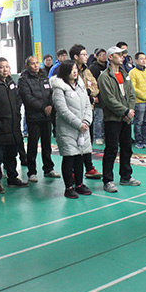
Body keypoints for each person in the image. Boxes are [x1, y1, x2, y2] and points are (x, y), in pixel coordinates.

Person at [0, 58, 29, 194]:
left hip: (13, 127)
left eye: (7, 67)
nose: (5, 70)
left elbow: (17, 100)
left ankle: (12, 178)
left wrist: (17, 115)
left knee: (12, 155)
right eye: (1, 67)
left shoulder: (11, 83)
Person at [98, 46, 141, 193]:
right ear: (110, 57)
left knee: (127, 148)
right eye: (118, 55)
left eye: (123, 55)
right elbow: (109, 99)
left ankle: (126, 176)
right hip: (113, 119)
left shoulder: (125, 74)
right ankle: (108, 180)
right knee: (111, 149)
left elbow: (132, 94)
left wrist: (130, 110)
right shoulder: (104, 77)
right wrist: (125, 111)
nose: (122, 57)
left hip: (126, 118)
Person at [50, 60, 93, 199]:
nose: (75, 72)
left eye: (76, 69)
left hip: (82, 128)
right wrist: (78, 124)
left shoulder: (80, 85)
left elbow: (87, 105)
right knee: (69, 157)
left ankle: (79, 184)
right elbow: (62, 109)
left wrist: (86, 121)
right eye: (71, 69)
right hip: (67, 129)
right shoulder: (59, 88)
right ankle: (68, 187)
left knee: (80, 156)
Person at [18, 56, 58, 182]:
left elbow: (51, 93)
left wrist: (50, 105)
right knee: (33, 145)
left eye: (37, 63)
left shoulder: (44, 77)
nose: (36, 66)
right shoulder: (23, 80)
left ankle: (48, 169)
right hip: (34, 117)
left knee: (47, 144)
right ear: (27, 66)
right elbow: (27, 97)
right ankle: (32, 172)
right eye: (32, 64)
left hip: (46, 117)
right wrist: (43, 107)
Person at [69, 44, 101, 180]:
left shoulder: (87, 70)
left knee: (88, 140)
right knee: (74, 142)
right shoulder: (68, 70)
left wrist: (89, 92)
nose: (87, 57)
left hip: (88, 110)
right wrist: (84, 94)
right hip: (75, 112)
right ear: (76, 57)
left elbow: (95, 87)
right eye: (83, 54)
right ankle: (72, 170)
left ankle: (89, 167)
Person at [129, 52, 146, 148]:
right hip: (139, 101)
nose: (144, 61)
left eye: (145, 59)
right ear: (136, 60)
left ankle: (145, 139)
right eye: (141, 59)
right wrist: (144, 96)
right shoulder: (133, 72)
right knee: (138, 122)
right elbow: (133, 87)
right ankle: (138, 141)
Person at [88, 48, 108, 145]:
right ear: (96, 56)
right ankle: (98, 136)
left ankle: (105, 135)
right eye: (101, 55)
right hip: (98, 97)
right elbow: (91, 83)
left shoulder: (108, 67)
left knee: (106, 118)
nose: (104, 57)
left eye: (105, 54)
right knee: (98, 118)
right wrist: (94, 95)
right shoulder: (93, 68)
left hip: (107, 97)